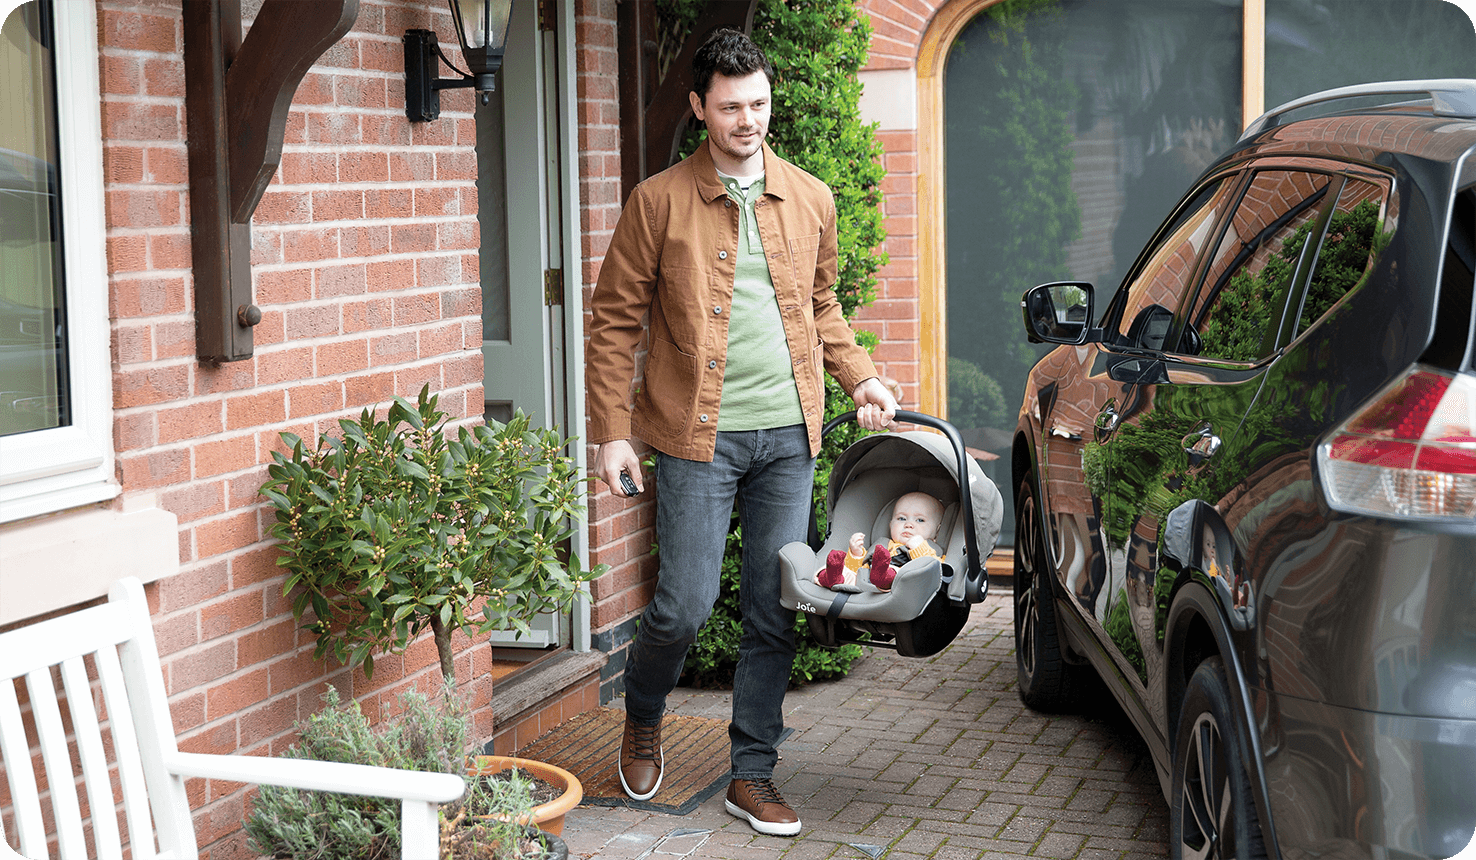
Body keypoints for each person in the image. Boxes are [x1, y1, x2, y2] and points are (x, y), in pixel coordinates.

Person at [585, 27, 898, 837]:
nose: (747, 120)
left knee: (773, 605)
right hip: (697, 438)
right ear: (699, 108)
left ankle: (751, 773)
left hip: (788, 437)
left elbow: (822, 306)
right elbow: (614, 323)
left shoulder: (811, 196)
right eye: (729, 107)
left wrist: (860, 377)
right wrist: (612, 432)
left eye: (757, 103)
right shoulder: (657, 203)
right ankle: (644, 712)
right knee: (682, 606)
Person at [817, 491, 944, 593]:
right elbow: (861, 569)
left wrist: (919, 549)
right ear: (890, 525)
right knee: (845, 572)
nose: (908, 524)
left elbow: (935, 573)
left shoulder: (932, 551)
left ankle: (884, 576)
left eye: (920, 520)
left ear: (937, 532)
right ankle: (831, 577)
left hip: (900, 587)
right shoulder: (883, 546)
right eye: (901, 518)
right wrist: (857, 554)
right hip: (866, 581)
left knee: (897, 574)